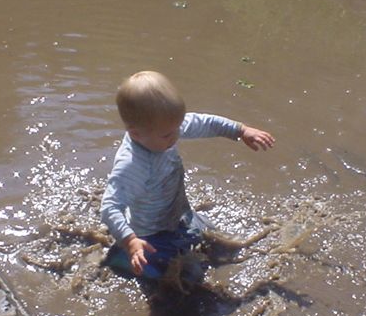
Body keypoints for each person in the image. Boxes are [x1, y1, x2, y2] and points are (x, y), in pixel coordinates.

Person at [100, 70, 275, 280]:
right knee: (188, 277)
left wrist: (240, 130)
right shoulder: (132, 165)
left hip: (178, 215)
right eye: (168, 135)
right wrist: (130, 240)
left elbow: (205, 123)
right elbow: (109, 207)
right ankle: (121, 257)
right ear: (136, 134)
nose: (177, 135)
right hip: (150, 233)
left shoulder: (162, 129)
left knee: (219, 242)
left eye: (177, 128)